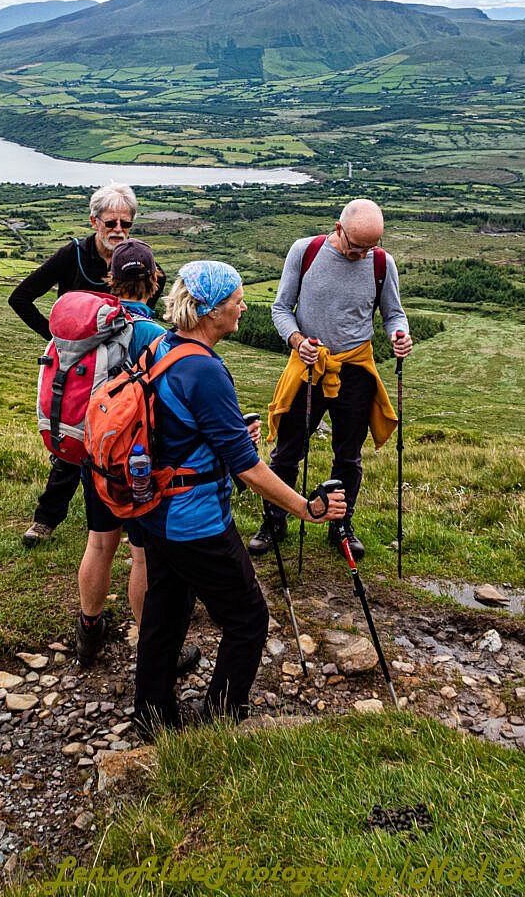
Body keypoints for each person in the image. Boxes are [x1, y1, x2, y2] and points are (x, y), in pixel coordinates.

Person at [132, 261, 346, 735]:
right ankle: (220, 722)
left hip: (154, 509)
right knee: (247, 619)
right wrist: (305, 510)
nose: (243, 306)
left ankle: (151, 717)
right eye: (236, 299)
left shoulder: (162, 346)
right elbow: (248, 469)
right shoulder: (204, 370)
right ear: (211, 311)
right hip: (196, 520)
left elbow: (172, 426)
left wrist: (228, 434)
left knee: (164, 615)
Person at [248, 198, 412, 561]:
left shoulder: (382, 263)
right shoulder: (305, 251)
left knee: (348, 456)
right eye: (357, 246)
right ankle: (274, 521)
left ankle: (341, 525)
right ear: (338, 229)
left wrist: (400, 334)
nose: (363, 254)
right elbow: (281, 309)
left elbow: (393, 314)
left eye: (372, 246)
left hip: (355, 369)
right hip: (307, 365)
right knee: (288, 451)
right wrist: (297, 341)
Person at [8, 183, 164, 547]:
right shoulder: (73, 255)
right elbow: (21, 298)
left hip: (123, 371)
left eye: (126, 223)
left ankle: (116, 516)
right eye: (110, 222)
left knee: (121, 442)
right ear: (94, 221)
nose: (118, 231)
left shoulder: (136, 260)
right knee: (73, 444)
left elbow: (148, 301)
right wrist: (58, 341)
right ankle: (46, 519)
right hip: (79, 370)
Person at [73, 239, 200, 677]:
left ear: (111, 278)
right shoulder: (153, 335)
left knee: (98, 544)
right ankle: (154, 646)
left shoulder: (92, 326)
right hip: (139, 463)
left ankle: (89, 632)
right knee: (141, 557)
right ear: (154, 280)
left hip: (95, 451)